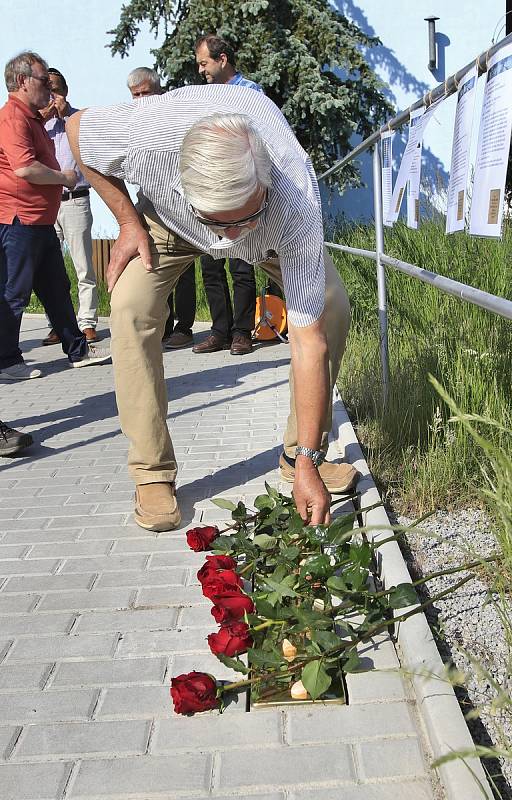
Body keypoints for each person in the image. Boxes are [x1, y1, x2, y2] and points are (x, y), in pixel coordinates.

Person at [66, 84, 357, 533]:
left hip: (272, 230)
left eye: (244, 218)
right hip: (171, 222)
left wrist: (309, 463)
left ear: (264, 182)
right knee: (128, 308)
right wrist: (127, 220)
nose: (231, 240)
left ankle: (297, 453)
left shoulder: (293, 193)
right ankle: (151, 474)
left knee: (332, 308)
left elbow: (307, 341)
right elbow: (75, 128)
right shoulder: (145, 137)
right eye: (221, 225)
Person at [0, 51, 110, 380]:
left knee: (56, 288)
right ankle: (7, 361)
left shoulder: (33, 116)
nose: (49, 87)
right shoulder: (13, 117)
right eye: (42, 80)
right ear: (22, 82)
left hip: (40, 220)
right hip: (21, 220)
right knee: (15, 292)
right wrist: (63, 177)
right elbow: (24, 168)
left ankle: (77, 350)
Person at [193, 35, 261, 357]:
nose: (201, 70)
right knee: (211, 264)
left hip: (241, 193)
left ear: (222, 59)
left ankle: (242, 332)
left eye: (204, 63)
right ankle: (219, 330)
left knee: (242, 264)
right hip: (210, 192)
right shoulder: (205, 98)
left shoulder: (251, 93)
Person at [127, 67, 196, 350]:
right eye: (135, 95)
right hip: (151, 207)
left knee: (185, 271)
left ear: (159, 92)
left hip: (181, 205)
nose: (141, 100)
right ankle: (162, 326)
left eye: (146, 93)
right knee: (153, 265)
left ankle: (184, 327)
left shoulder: (176, 117)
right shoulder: (132, 123)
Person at [40, 67, 98, 346]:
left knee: (83, 267)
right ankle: (58, 324)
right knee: (50, 269)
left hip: (76, 200)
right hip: (48, 202)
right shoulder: (39, 124)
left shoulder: (79, 118)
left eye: (56, 89)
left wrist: (65, 117)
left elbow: (91, 147)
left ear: (65, 91)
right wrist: (43, 119)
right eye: (46, 90)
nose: (52, 96)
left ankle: (87, 322)